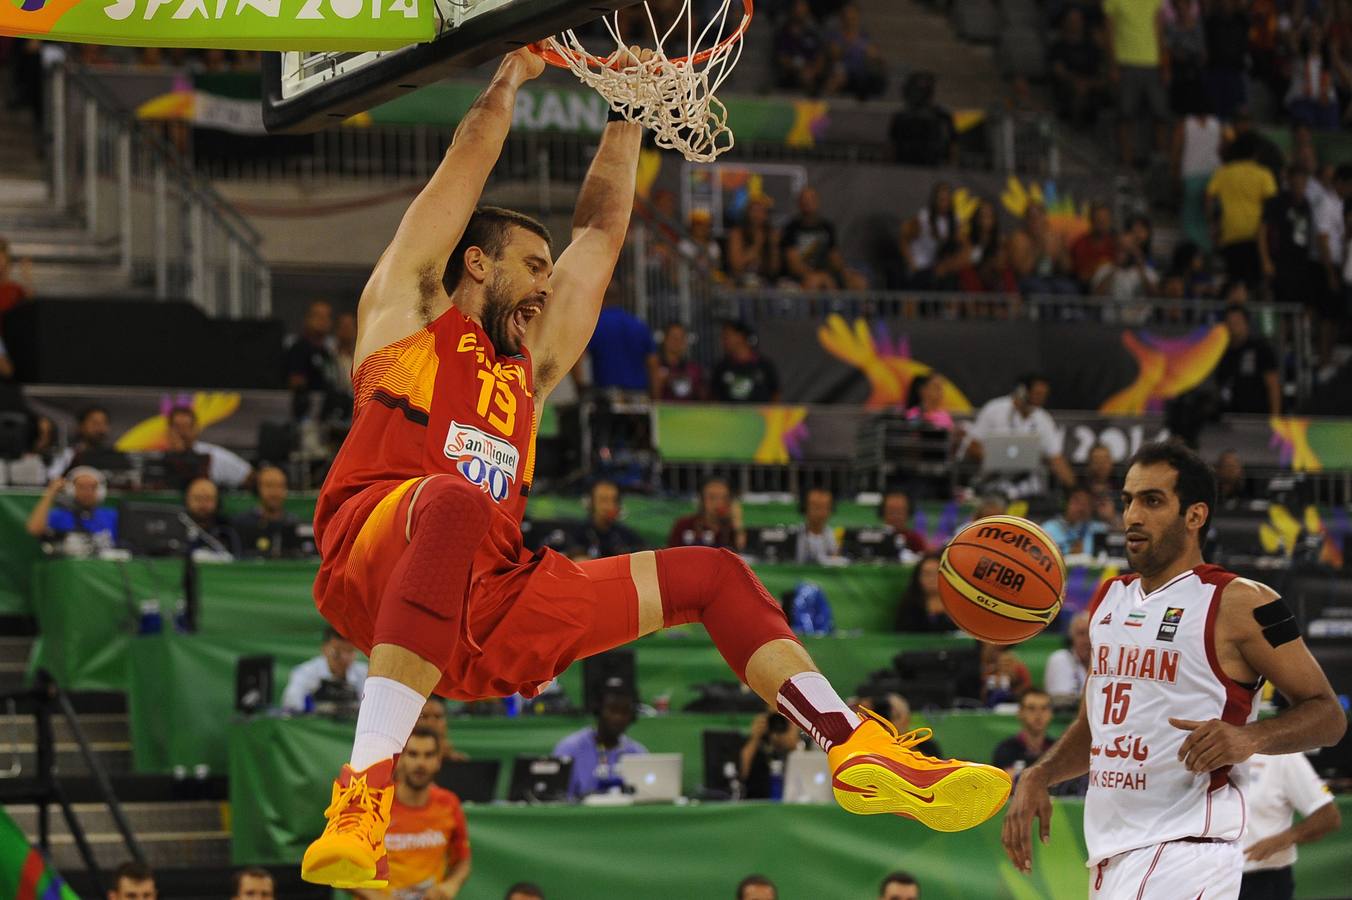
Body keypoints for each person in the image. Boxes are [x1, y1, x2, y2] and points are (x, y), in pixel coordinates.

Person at [301, 50, 1009, 889]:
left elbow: (600, 231)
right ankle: (363, 796)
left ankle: (851, 744)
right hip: (374, 557)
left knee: (713, 573)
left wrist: (629, 108)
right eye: (533, 265)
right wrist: (509, 84)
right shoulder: (406, 316)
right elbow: (463, 168)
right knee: (453, 500)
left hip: (487, 604)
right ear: (477, 264)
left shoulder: (533, 369)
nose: (547, 285)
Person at [1001, 441, 1347, 897]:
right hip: (1113, 854)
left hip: (1187, 855)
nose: (1132, 517)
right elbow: (1096, 729)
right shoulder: (1108, 600)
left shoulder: (1240, 601)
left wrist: (1249, 737)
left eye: (1152, 500)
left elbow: (1329, 715)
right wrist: (1042, 773)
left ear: (1195, 515)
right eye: (1127, 501)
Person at [355, 728, 471, 900]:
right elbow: (343, 866)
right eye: (413, 754)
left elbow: (463, 860)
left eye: (428, 755)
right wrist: (376, 897)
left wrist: (450, 886)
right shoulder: (374, 803)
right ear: (400, 759)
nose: (420, 763)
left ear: (439, 760)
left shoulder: (449, 804)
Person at [1238, 752, 1341, 900]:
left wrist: (1282, 839)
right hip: (1208, 876)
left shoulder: (1284, 756)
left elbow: (1328, 816)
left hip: (1260, 879)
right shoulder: (1203, 749)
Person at [964, 374, 1077, 496]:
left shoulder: (1043, 419)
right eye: (1038, 393)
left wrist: (1075, 489)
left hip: (1029, 488)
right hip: (993, 484)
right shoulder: (994, 410)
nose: (1041, 399)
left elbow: (1056, 459)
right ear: (1022, 391)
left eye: (1044, 395)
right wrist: (998, 460)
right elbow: (973, 447)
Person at [551, 682, 647, 800]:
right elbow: (557, 801)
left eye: (624, 712)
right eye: (612, 710)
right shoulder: (569, 749)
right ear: (598, 711)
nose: (618, 717)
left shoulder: (637, 753)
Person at [1207, 135, 1280, 288]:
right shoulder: (1263, 173)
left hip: (1230, 233)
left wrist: (1212, 223)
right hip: (1256, 236)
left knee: (1235, 283)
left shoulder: (1224, 172)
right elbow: (1270, 205)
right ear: (1255, 153)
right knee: (1254, 284)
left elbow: (1208, 196)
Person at [1103, 0, 1168, 168]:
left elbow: (1159, 29)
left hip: (1152, 63)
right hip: (1125, 62)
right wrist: (1112, 65)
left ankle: (1159, 163)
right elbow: (1108, 31)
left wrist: (1164, 63)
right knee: (1125, 116)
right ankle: (1127, 163)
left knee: (1160, 114)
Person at [779, 186, 865, 290]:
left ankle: (855, 306)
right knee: (815, 282)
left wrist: (845, 272)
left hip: (826, 273)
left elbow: (834, 256)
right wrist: (818, 276)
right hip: (801, 276)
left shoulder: (827, 227)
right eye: (805, 200)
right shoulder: (791, 228)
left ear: (817, 202)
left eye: (811, 199)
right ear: (799, 204)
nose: (808, 203)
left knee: (858, 282)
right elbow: (793, 263)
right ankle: (830, 305)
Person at [583, 283, 656, 394]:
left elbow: (578, 360)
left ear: (599, 295)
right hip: (639, 396)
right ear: (619, 298)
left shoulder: (595, 326)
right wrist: (655, 396)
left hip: (606, 397)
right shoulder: (639, 325)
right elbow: (652, 363)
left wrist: (580, 388)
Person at [1259, 166, 1315, 308]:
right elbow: (1262, 231)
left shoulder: (1306, 205)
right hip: (1280, 262)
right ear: (1289, 181)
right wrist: (1266, 260)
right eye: (1296, 183)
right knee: (1281, 305)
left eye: (1302, 183)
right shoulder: (1277, 202)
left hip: (1300, 263)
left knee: (1300, 305)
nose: (1299, 187)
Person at [282, 625, 369, 713]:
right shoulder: (304, 673)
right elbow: (292, 706)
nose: (344, 657)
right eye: (337, 651)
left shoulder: (365, 673)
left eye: (350, 651)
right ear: (324, 649)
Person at [25, 467, 118, 548]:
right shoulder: (59, 515)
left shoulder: (112, 516)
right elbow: (34, 530)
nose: (87, 492)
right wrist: (51, 492)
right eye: (81, 487)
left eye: (92, 487)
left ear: (101, 491)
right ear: (71, 490)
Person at [1215, 304, 1281, 416]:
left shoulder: (1261, 349)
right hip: (1231, 416)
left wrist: (1275, 417)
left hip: (1258, 416)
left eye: (1237, 322)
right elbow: (1221, 385)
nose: (1233, 326)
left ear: (1246, 323)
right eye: (1230, 323)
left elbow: (1273, 385)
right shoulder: (1223, 353)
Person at [166, 405, 253, 489]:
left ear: (196, 429)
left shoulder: (212, 455)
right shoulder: (157, 454)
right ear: (169, 430)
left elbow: (249, 475)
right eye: (178, 427)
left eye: (187, 427)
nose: (182, 433)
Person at [1048, 7, 1107, 127]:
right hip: (1069, 86)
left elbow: (1101, 69)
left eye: (1078, 20)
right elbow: (1059, 71)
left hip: (1092, 84)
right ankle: (1076, 128)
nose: (1075, 23)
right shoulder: (1058, 46)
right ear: (1064, 22)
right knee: (1080, 89)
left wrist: (1092, 82)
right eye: (1071, 20)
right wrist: (1077, 81)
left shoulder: (1091, 46)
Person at [232, 465, 303, 559]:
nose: (274, 492)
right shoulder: (241, 524)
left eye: (280, 486)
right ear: (258, 489)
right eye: (269, 486)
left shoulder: (295, 525)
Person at [565, 479, 646, 560]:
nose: (609, 506)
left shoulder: (625, 536)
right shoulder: (577, 534)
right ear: (591, 503)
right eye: (603, 500)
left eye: (614, 500)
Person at [667, 475, 746, 550]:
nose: (718, 502)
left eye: (723, 498)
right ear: (701, 500)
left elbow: (739, 553)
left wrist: (737, 523)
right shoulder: (684, 524)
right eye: (712, 497)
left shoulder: (730, 529)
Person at [739, 710, 804, 800]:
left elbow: (806, 771)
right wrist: (755, 738)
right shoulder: (756, 743)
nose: (777, 724)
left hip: (790, 799)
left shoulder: (798, 742)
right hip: (757, 800)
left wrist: (793, 738)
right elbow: (742, 773)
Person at [711, 320, 780, 403]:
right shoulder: (721, 367)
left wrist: (770, 414)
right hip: (729, 415)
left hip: (758, 415)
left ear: (740, 336)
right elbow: (714, 397)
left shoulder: (764, 365)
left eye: (727, 336)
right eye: (722, 337)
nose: (723, 341)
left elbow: (776, 393)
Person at [992, 689, 1056, 777]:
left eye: (1044, 708)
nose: (1038, 714)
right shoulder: (1005, 750)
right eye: (1031, 708)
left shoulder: (1056, 749)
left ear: (1051, 713)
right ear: (1020, 712)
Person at [726, 195, 782, 288]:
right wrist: (757, 245)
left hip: (765, 285)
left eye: (761, 211)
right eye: (754, 211)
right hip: (740, 284)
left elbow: (774, 269)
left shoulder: (770, 234)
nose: (757, 215)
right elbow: (736, 266)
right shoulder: (737, 233)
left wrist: (774, 247)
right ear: (747, 213)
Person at [285, 299, 338, 397]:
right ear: (307, 319)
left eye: (327, 316)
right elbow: (296, 383)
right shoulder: (299, 349)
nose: (323, 320)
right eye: (318, 316)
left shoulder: (327, 353)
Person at [1041, 486, 1109, 558]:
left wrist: (1110, 518)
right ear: (1066, 504)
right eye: (1077, 501)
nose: (1081, 508)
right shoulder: (1048, 529)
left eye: (1086, 503)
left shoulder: (1098, 529)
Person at [47, 404, 112, 478]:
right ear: (81, 426)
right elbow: (53, 477)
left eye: (104, 423)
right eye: (94, 423)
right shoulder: (68, 453)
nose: (100, 428)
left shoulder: (113, 455)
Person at [893, 553, 953, 633]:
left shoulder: (959, 605)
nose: (932, 578)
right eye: (927, 574)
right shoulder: (910, 607)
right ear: (917, 577)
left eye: (937, 573)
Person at [182, 476, 242, 557]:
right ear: (187, 501)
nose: (202, 504)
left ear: (218, 502)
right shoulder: (175, 526)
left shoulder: (229, 530)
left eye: (208, 499)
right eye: (197, 498)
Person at [650, 322, 707, 402]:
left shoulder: (694, 370)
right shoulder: (654, 367)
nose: (677, 342)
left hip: (690, 413)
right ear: (665, 340)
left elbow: (705, 400)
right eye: (673, 337)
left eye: (681, 338)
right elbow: (651, 400)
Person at [1044, 612, 1091, 708]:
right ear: (1071, 637)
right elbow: (1061, 701)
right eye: (1081, 634)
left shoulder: (1105, 663)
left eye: (1091, 634)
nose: (1087, 640)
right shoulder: (1060, 659)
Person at [1069, 203, 1119, 292]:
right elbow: (1082, 276)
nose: (1102, 223)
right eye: (1099, 219)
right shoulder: (1081, 244)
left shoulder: (1116, 243)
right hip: (1089, 291)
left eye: (1105, 219)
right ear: (1091, 221)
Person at [417, 696, 469, 764]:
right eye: (425, 716)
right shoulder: (401, 757)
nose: (431, 722)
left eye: (437, 716)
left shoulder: (458, 761)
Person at [795, 486, 839, 564]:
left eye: (826, 508)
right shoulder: (795, 534)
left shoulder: (833, 534)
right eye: (816, 508)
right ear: (805, 508)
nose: (821, 513)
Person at [880, 489, 928, 555]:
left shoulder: (915, 539)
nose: (895, 516)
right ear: (883, 513)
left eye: (900, 512)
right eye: (891, 511)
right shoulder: (874, 537)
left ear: (908, 513)